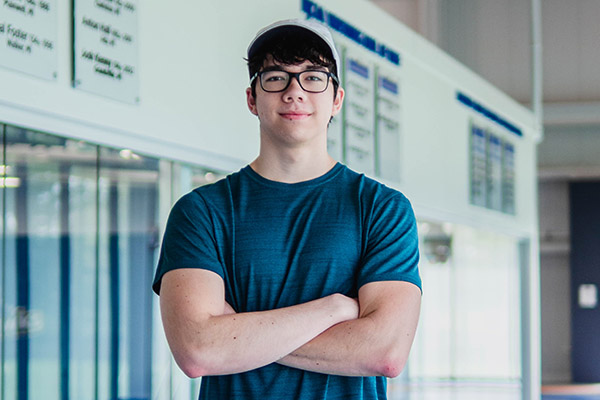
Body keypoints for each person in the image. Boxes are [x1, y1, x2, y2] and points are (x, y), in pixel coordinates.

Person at [152, 18, 422, 400]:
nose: (295, 92)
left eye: (313, 77)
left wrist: (234, 336)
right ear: (252, 98)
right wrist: (332, 310)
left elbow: (386, 351)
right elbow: (197, 351)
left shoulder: (382, 209)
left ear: (337, 99)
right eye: (276, 77)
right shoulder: (201, 212)